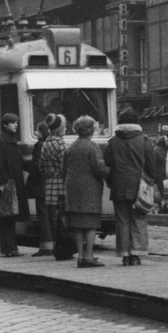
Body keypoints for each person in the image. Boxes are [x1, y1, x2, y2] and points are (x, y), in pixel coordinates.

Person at [105, 106, 157, 266]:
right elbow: (151, 165)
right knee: (139, 219)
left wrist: (111, 182)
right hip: (139, 186)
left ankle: (124, 254)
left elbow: (107, 164)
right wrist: (152, 182)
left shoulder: (113, 142)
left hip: (119, 185)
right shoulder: (144, 140)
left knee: (122, 220)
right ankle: (137, 253)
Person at [62, 114, 109, 267]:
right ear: (91, 130)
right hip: (89, 189)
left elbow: (64, 170)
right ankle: (89, 256)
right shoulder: (92, 147)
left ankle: (80, 256)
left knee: (77, 224)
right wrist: (109, 173)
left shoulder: (70, 147)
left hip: (73, 189)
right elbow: (99, 169)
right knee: (90, 223)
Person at [33, 114, 68, 256]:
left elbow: (40, 166)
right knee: (62, 216)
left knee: (51, 215)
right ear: (60, 129)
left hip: (49, 184)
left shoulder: (46, 143)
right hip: (62, 184)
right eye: (64, 127)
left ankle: (51, 244)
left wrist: (50, 174)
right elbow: (65, 166)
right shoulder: (62, 145)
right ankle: (63, 245)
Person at [0, 112, 25, 257]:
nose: (16, 125)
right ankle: (9, 248)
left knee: (8, 216)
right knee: (7, 215)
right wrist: (5, 182)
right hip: (8, 184)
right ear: (5, 125)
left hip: (9, 182)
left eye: (16, 122)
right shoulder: (3, 141)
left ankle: (9, 248)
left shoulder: (9, 140)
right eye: (13, 123)